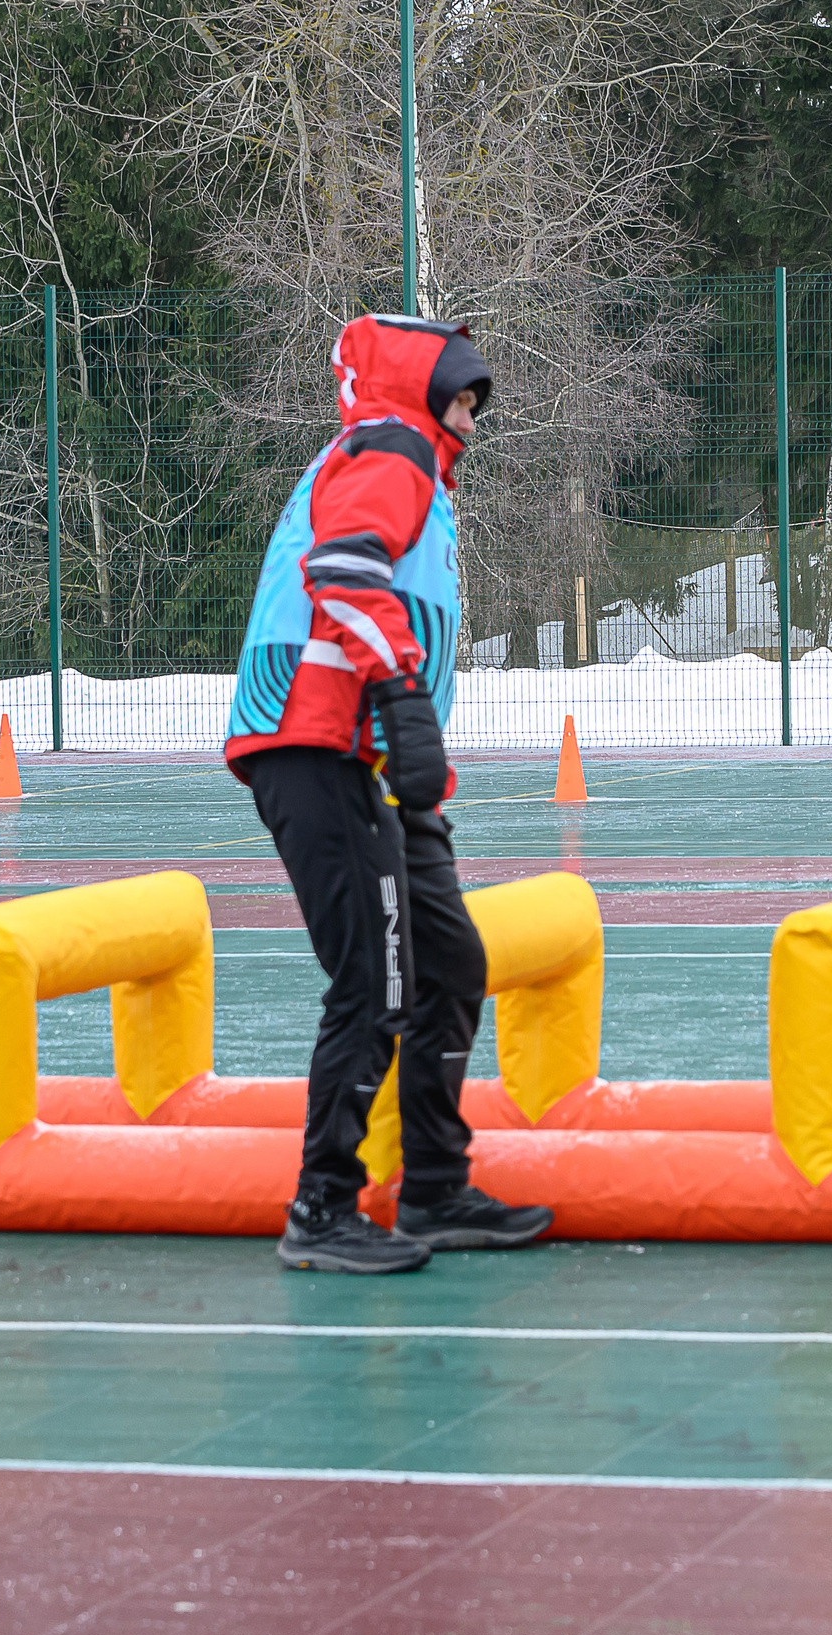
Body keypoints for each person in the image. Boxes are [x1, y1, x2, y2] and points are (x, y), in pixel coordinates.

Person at [224, 314, 554, 1274]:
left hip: (369, 754)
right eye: (464, 400)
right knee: (374, 977)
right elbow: (343, 570)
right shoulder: (392, 447)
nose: (473, 422)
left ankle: (434, 1187)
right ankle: (321, 1206)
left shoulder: (420, 469)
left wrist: (415, 754)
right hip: (318, 744)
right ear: (422, 392)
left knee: (447, 961)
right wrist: (404, 697)